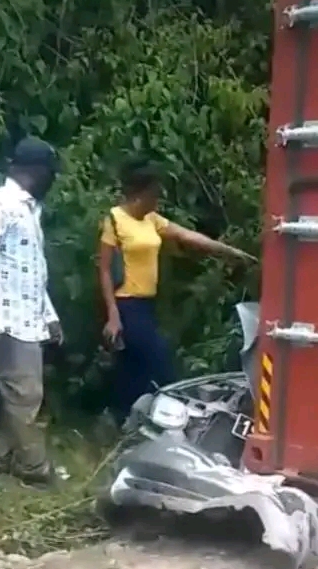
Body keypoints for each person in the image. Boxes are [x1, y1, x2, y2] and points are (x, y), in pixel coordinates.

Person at [99, 159, 255, 423]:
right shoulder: (115, 220)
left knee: (133, 368)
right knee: (159, 362)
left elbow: (188, 236)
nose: (158, 198)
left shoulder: (153, 220)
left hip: (147, 304)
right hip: (126, 303)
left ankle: (121, 419)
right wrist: (112, 315)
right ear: (142, 192)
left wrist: (229, 252)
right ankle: (167, 418)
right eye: (155, 193)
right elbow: (103, 269)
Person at [0, 137, 62, 486]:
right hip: (9, 321)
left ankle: (1, 459)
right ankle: (33, 467)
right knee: (25, 395)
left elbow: (32, 270)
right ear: (34, 172)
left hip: (29, 318)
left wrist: (49, 315)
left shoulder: (27, 208)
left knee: (20, 394)